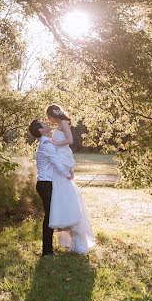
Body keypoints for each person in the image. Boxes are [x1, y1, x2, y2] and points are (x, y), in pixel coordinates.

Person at [45, 104, 96, 254]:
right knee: (60, 191)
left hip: (62, 155)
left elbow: (70, 140)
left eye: (49, 117)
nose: (49, 119)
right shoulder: (58, 125)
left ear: (53, 115)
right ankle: (68, 232)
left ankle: (77, 237)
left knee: (66, 190)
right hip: (59, 158)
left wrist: (55, 143)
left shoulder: (64, 123)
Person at [29, 119, 73, 256]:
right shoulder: (46, 145)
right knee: (49, 217)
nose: (47, 124)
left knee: (51, 215)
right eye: (44, 124)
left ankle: (50, 248)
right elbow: (57, 163)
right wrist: (68, 174)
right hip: (45, 185)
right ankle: (47, 251)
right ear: (41, 130)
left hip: (47, 184)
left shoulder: (47, 142)